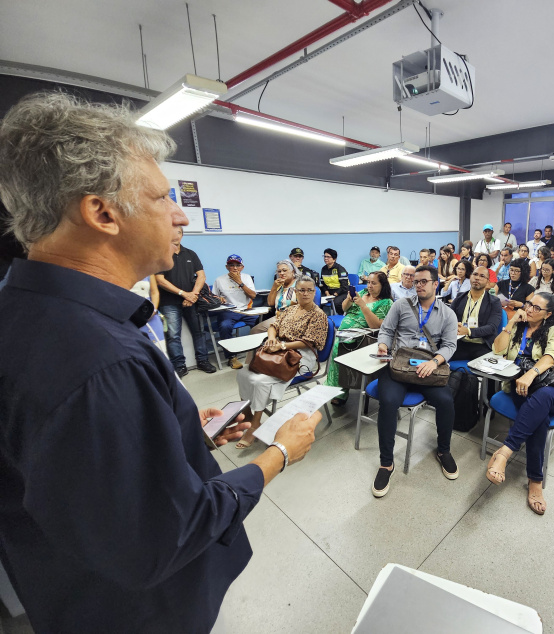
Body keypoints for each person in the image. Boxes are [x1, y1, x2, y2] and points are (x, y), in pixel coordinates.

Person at [0, 92, 322, 633]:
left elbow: (86, 473)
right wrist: (278, 455)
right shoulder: (103, 362)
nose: (180, 216)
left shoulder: (25, 312)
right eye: (162, 198)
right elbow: (165, 535)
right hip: (141, 615)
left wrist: (171, 433)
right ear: (101, 212)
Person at [372, 265, 459, 497]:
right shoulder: (401, 305)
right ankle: (386, 463)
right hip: (399, 367)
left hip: (427, 368)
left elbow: (450, 345)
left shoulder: (447, 313)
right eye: (415, 281)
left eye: (423, 281)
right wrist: (382, 345)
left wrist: (435, 362)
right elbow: (386, 331)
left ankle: (444, 451)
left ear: (435, 284)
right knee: (388, 402)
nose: (418, 285)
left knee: (446, 401)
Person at [486, 292, 554, 515]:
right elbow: (497, 349)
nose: (530, 309)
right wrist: (512, 322)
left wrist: (531, 373)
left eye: (537, 308)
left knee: (543, 400)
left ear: (548, 314)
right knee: (539, 418)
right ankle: (535, 481)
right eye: (529, 304)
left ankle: (504, 453)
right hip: (522, 388)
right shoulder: (519, 325)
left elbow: (553, 355)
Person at [236, 276, 329, 449]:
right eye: (301, 290)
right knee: (243, 372)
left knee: (259, 381)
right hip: (280, 350)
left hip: (301, 356)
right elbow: (274, 326)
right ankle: (247, 414)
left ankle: (256, 424)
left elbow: (309, 342)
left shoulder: (318, 315)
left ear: (315, 292)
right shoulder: (291, 309)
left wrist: (282, 345)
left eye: (310, 290)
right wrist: (272, 340)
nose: (306, 293)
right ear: (295, 292)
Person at [155, 226, 216, 377]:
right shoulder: (160, 255)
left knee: (199, 332)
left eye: (179, 232)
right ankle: (179, 365)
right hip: (168, 302)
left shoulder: (190, 254)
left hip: (192, 300)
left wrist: (193, 295)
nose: (175, 236)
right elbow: (159, 280)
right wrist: (184, 294)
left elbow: (201, 276)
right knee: (173, 335)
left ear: (182, 235)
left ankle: (202, 360)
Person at [326, 271, 393, 406]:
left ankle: (341, 390)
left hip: (363, 337)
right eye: (368, 282)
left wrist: (363, 305)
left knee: (339, 350)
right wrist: (348, 300)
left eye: (374, 283)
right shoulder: (362, 294)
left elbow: (376, 326)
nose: (369, 286)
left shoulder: (386, 302)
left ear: (383, 285)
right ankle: (334, 388)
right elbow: (344, 309)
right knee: (337, 349)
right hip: (345, 333)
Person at [212, 254, 260, 369]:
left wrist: (240, 282)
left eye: (238, 265)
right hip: (229, 311)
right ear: (226, 267)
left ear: (242, 267)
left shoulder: (247, 277)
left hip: (246, 309)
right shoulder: (219, 280)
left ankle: (260, 352)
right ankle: (231, 357)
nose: (234, 268)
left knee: (261, 323)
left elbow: (253, 295)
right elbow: (213, 298)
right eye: (231, 265)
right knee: (224, 326)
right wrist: (219, 299)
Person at [451, 266, 502, 360]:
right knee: (438, 358)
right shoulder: (459, 297)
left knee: (484, 370)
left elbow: (492, 327)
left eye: (482, 276)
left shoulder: (494, 302)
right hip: (459, 343)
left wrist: (468, 331)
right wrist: (455, 325)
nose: (477, 278)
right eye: (475, 274)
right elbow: (449, 319)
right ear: (470, 277)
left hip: (481, 345)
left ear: (488, 282)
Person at [319, 248, 350, 313]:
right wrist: (327, 293)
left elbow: (344, 286)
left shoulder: (340, 269)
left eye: (328, 257)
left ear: (334, 259)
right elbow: (322, 284)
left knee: (336, 302)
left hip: (341, 291)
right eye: (324, 256)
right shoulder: (324, 269)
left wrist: (335, 295)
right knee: (317, 299)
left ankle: (341, 317)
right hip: (329, 291)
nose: (325, 258)